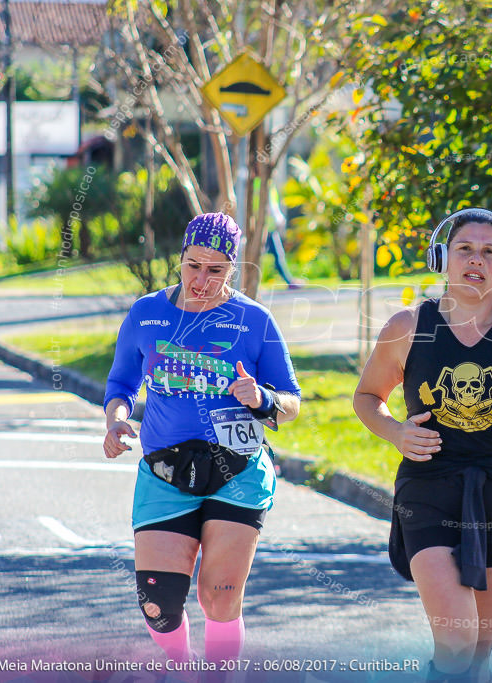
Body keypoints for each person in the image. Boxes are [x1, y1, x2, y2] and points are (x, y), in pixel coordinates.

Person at [353, 208, 492, 681]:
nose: (476, 260)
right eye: (465, 249)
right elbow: (367, 397)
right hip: (428, 484)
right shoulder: (408, 326)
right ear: (443, 257)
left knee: (479, 649)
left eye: (489, 251)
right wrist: (397, 432)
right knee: (456, 639)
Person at [102, 212, 301, 664]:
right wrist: (116, 421)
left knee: (220, 599)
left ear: (233, 268)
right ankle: (183, 668)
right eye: (193, 265)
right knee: (158, 607)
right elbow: (120, 386)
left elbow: (292, 401)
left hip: (239, 470)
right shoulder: (147, 313)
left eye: (216, 270)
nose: (202, 279)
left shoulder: (254, 321)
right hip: (165, 471)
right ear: (180, 259)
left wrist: (264, 398)